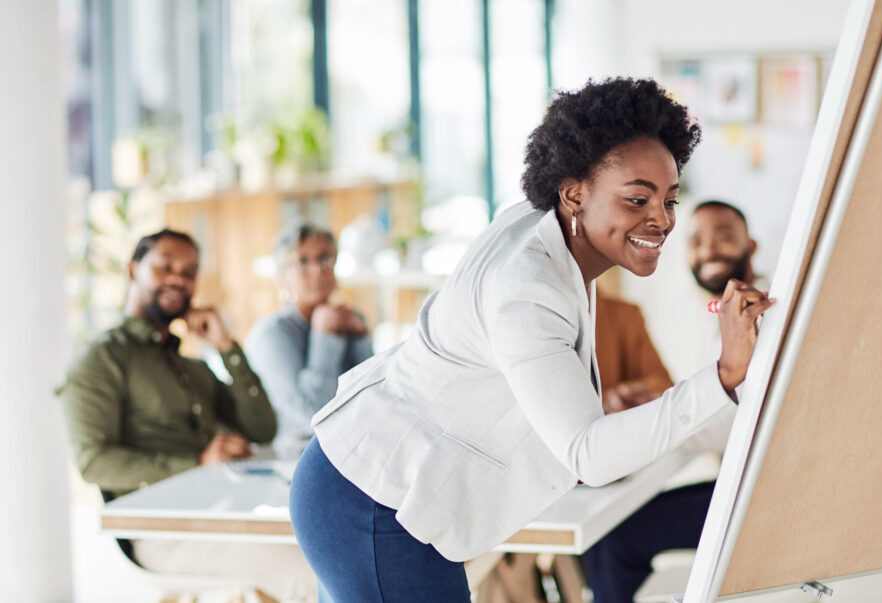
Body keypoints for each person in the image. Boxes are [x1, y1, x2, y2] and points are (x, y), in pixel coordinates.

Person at [288, 77, 773, 602]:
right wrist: (725, 375)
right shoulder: (526, 289)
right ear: (573, 193)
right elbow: (588, 453)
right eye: (637, 199)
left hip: (366, 489)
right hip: (372, 508)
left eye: (669, 200)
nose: (660, 220)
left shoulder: (548, 229)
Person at [59, 228, 317, 602]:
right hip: (163, 533)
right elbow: (94, 463)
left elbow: (262, 427)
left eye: (190, 271)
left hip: (225, 513)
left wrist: (227, 346)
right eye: (165, 267)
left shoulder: (191, 364)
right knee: (312, 575)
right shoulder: (102, 358)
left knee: (337, 547)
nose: (179, 278)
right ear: (133, 271)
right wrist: (198, 461)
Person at [583, 199, 760, 602]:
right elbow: (723, 401)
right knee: (608, 534)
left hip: (760, 499)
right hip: (736, 487)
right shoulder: (714, 316)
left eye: (724, 236)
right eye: (696, 241)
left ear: (751, 245)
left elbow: (735, 421)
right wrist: (659, 406)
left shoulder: (757, 312)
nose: (709, 249)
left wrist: (657, 425)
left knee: (614, 537)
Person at [245, 223, 373, 456]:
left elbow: (373, 400)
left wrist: (360, 338)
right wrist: (325, 336)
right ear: (283, 277)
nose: (317, 271)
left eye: (325, 259)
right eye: (302, 263)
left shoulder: (350, 319)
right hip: (297, 459)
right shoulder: (271, 335)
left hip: (355, 451)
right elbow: (313, 416)